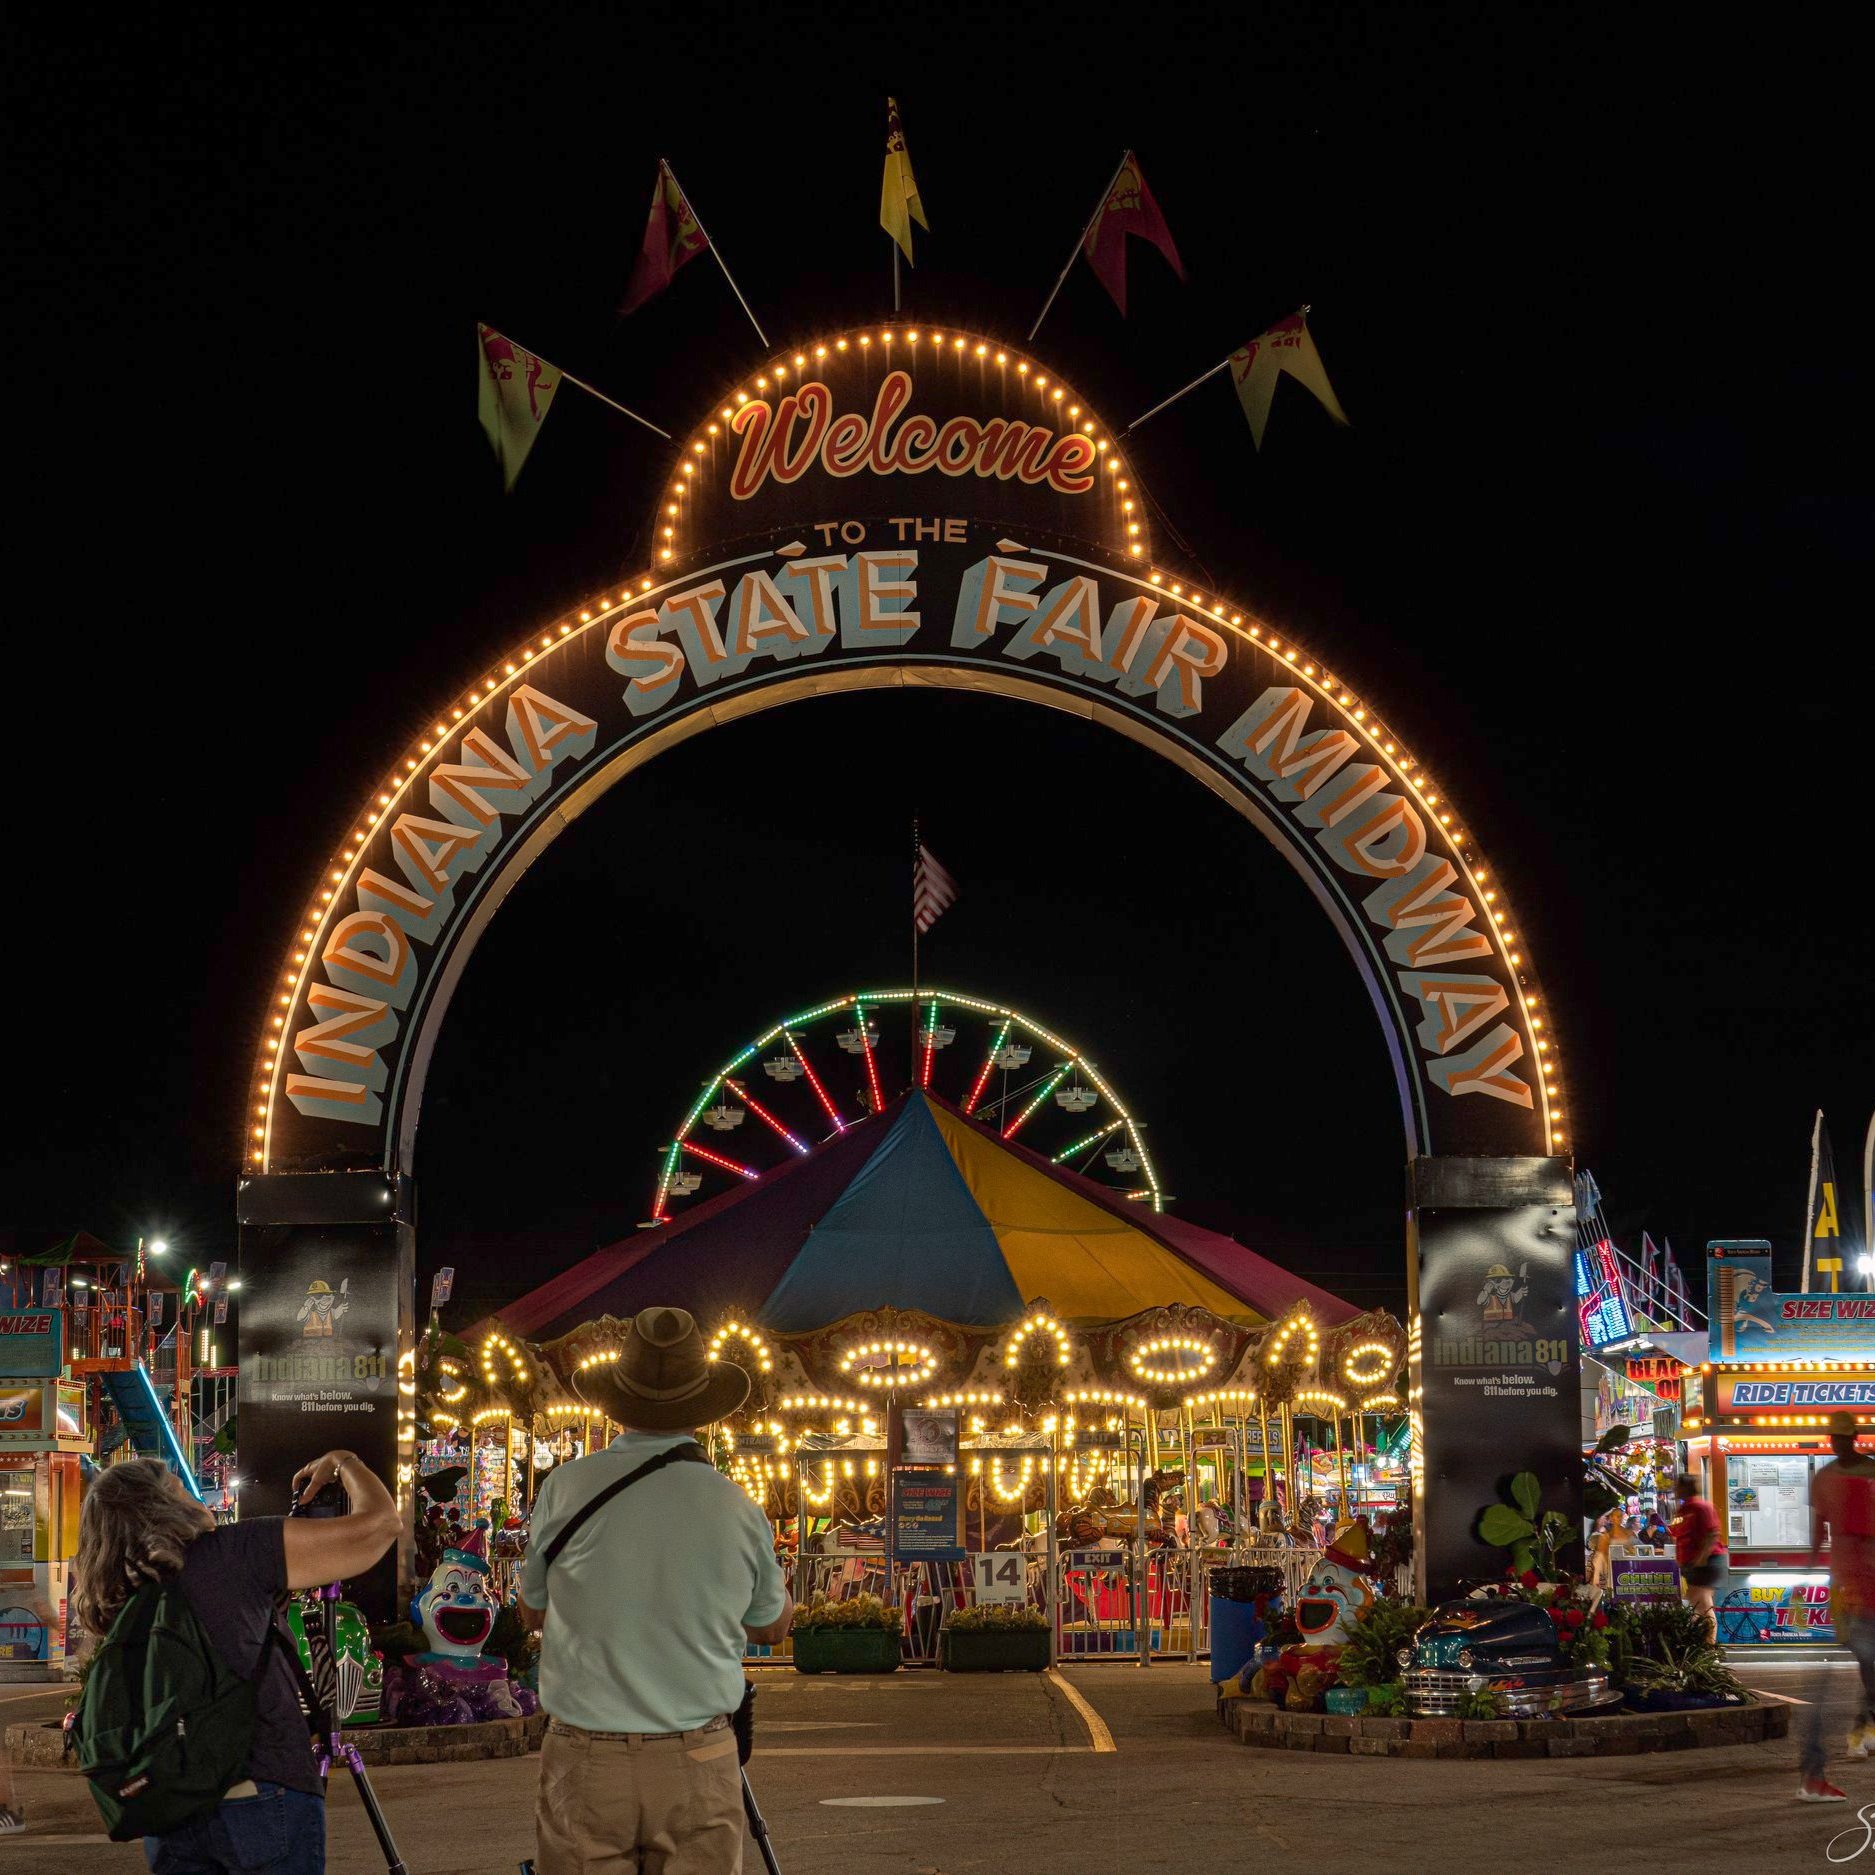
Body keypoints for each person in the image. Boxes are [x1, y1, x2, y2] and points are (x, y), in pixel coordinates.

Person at [519, 1307, 793, 1875]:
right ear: (702, 1409)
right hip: (698, 1754)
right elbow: (768, 1626)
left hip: (585, 1757)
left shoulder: (565, 1487)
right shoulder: (737, 1507)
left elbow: (530, 1610)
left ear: (620, 1401)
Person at [71, 1452, 400, 1873]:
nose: (190, 1493)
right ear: (163, 1506)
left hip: (171, 1807)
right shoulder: (231, 1553)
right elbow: (380, 1526)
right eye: (176, 1485)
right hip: (261, 1791)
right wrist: (347, 1462)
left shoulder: (124, 1599)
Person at [1798, 1412, 1875, 1802]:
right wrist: (1812, 1567)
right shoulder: (1829, 1478)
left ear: (1854, 1438)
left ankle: (1859, 1731)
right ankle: (1858, 1731)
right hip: (1851, 1588)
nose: (1839, 1444)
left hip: (1857, 1585)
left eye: (1844, 1438)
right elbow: (1821, 1528)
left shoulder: (1866, 1474)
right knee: (1862, 1662)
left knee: (1861, 1664)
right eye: (1835, 1438)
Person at [1669, 1471, 1725, 1640]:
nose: (1674, 1489)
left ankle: (1708, 1647)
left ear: (1685, 1487)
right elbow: (1677, 1533)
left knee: (1700, 1603)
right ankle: (1703, 1644)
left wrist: (1701, 1558)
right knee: (1697, 1605)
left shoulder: (1702, 1507)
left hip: (1707, 1563)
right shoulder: (1683, 1509)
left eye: (1678, 1486)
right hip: (1694, 1564)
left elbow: (1713, 1533)